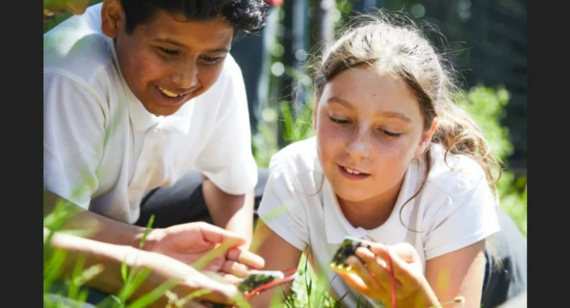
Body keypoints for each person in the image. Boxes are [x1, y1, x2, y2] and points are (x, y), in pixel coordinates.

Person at [250, 11, 526, 307]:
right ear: (317, 107)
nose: (357, 149)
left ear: (424, 136)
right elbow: (255, 300)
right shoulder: (294, 172)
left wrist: (411, 299)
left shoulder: (455, 186)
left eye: (389, 132)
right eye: (340, 120)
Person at [43, 1, 266, 306]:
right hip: (66, 230)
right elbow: (53, 217)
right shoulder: (72, 73)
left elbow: (231, 183)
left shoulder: (224, 76)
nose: (185, 79)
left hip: (137, 208)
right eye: (168, 51)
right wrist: (145, 248)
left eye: (211, 57)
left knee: (273, 192)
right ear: (114, 18)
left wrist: (232, 259)